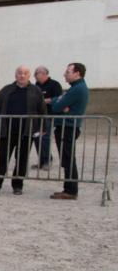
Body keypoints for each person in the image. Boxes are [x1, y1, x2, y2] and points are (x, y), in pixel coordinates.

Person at [0, 65, 45, 196]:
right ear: (15, 75)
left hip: (26, 132)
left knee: (22, 159)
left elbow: (42, 110)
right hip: (7, 131)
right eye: (19, 73)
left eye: (25, 73)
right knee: (2, 159)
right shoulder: (6, 90)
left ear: (29, 75)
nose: (22, 75)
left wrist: (42, 127)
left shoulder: (35, 91)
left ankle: (17, 185)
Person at [48, 62, 88, 200]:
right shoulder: (75, 87)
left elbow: (57, 107)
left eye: (68, 72)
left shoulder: (77, 89)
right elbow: (59, 102)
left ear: (77, 73)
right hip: (66, 127)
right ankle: (68, 188)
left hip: (68, 127)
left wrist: (59, 103)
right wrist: (58, 102)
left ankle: (71, 191)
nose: (65, 74)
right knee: (67, 158)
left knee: (68, 158)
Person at [31, 66, 62, 169]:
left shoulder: (55, 84)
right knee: (36, 137)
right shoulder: (37, 85)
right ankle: (42, 159)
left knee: (45, 137)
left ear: (44, 74)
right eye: (35, 74)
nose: (35, 76)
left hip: (49, 115)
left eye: (37, 73)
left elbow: (59, 98)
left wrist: (46, 100)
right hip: (37, 115)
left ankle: (47, 161)